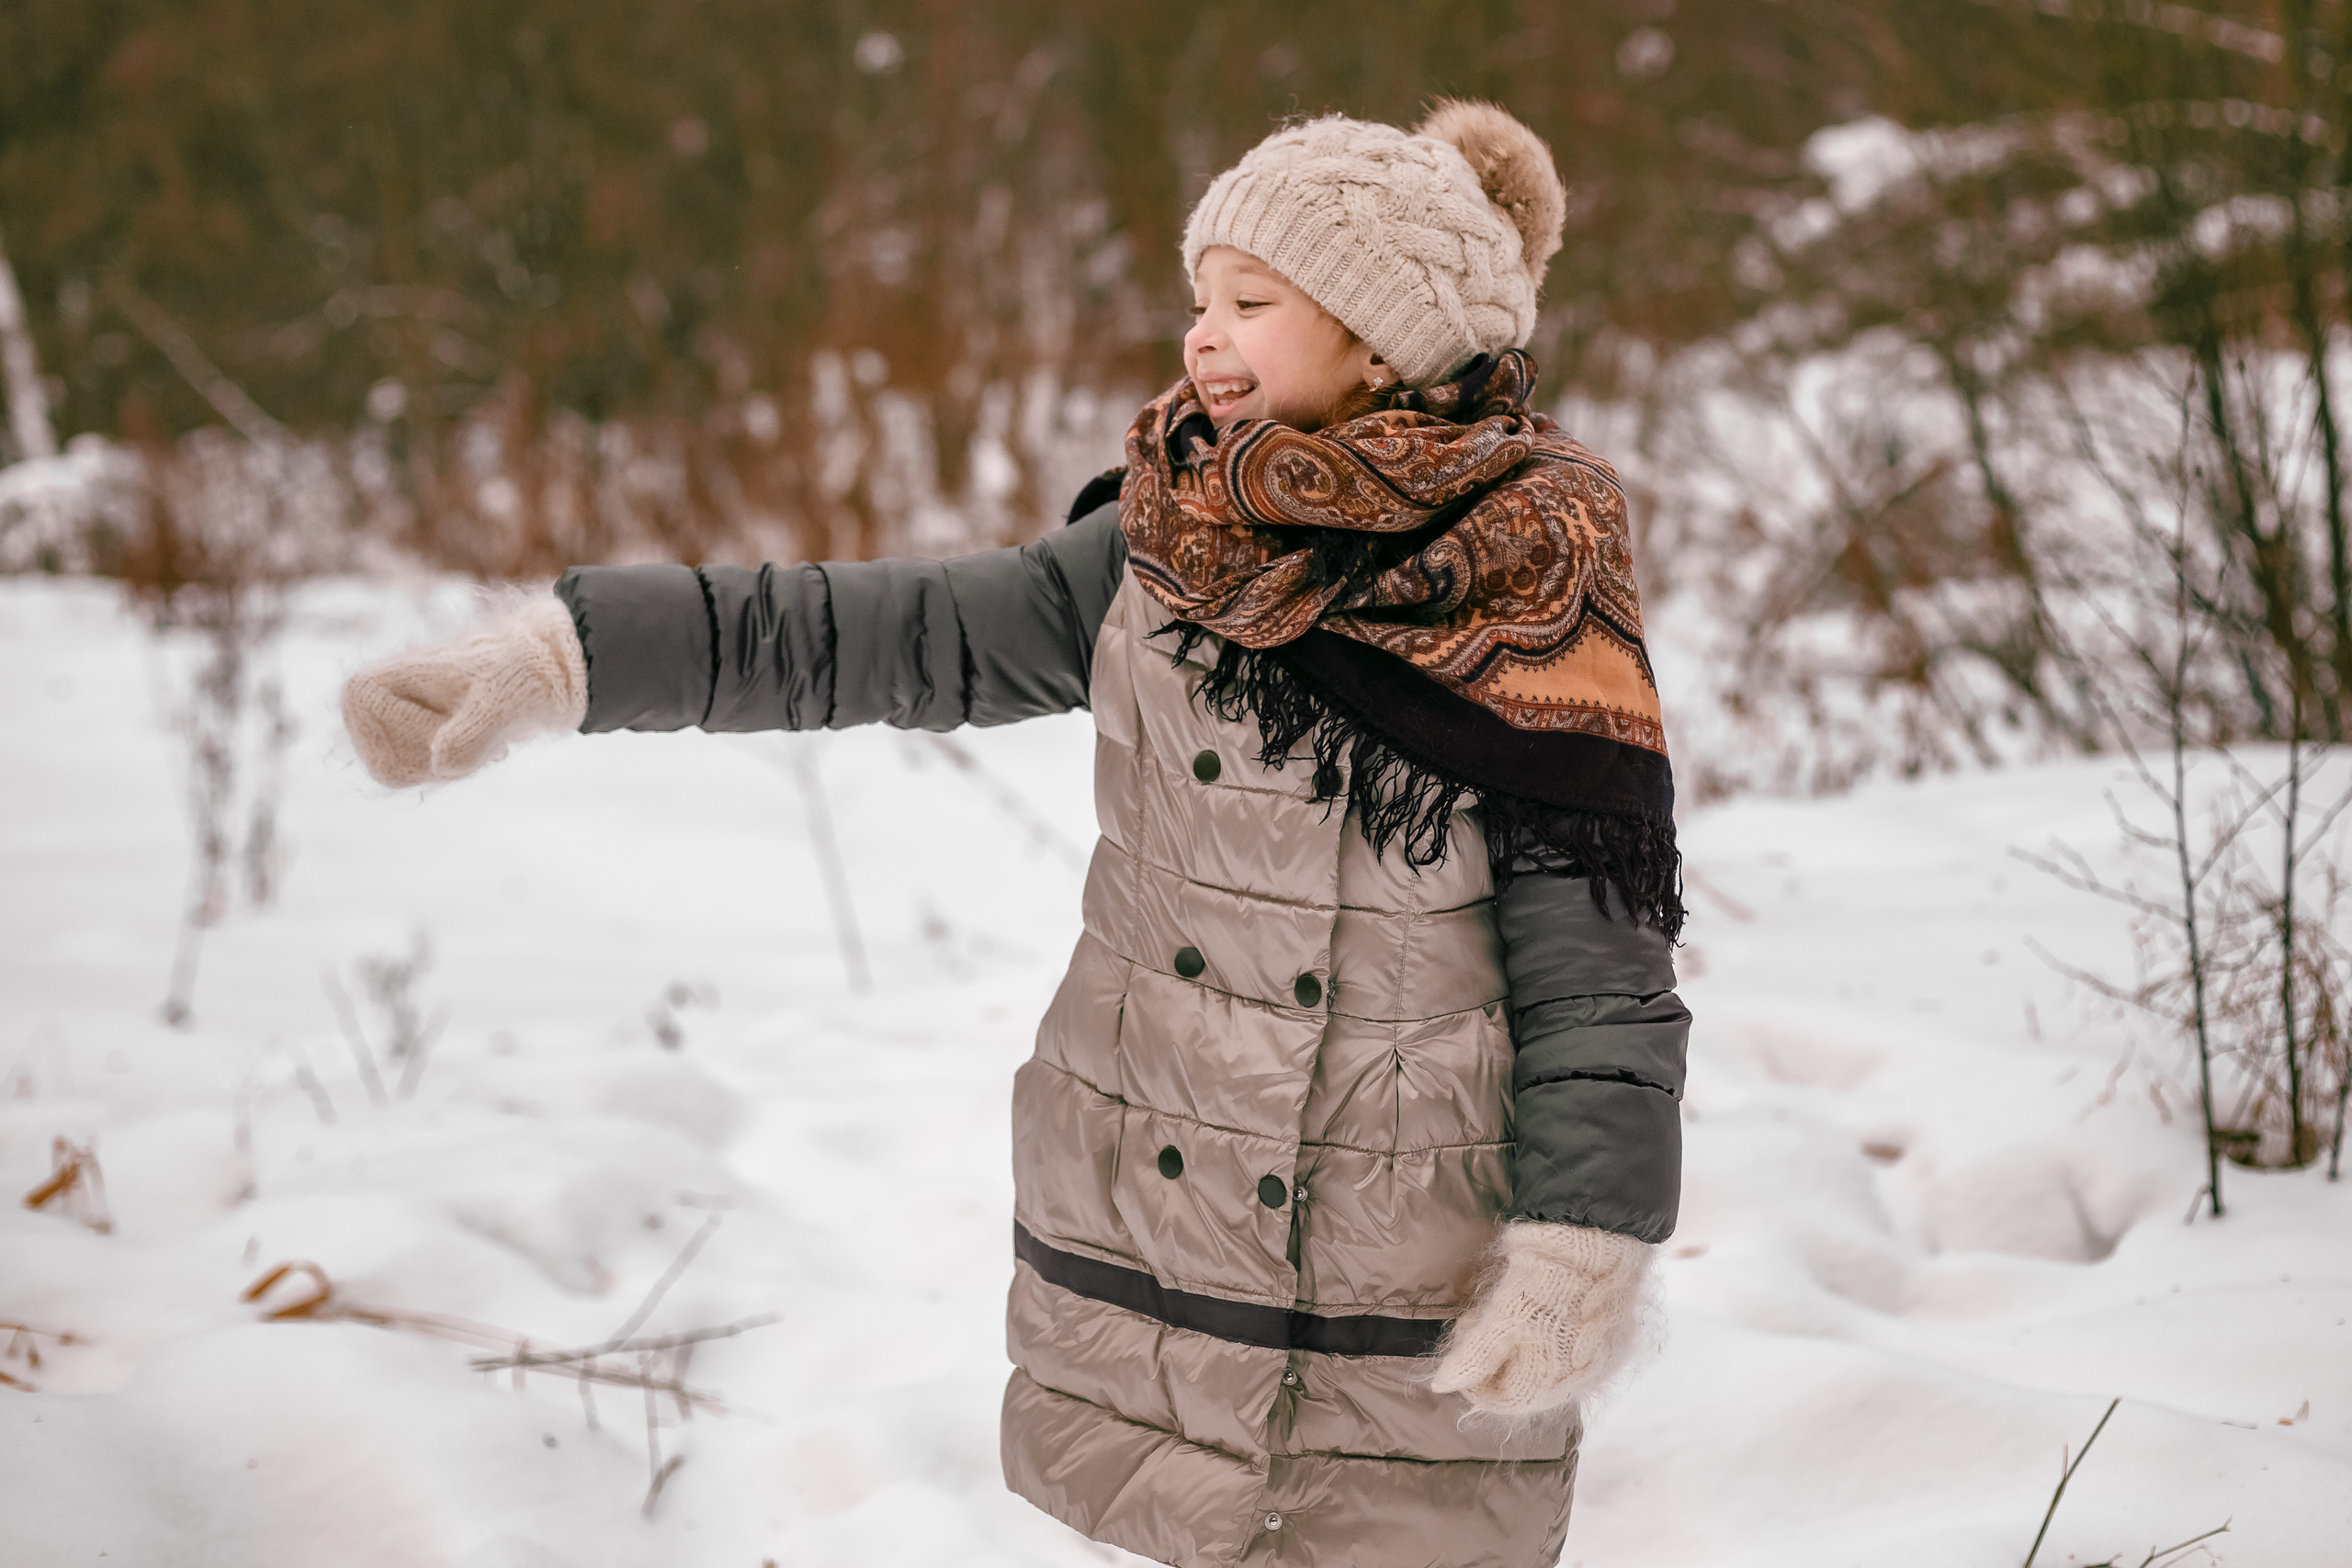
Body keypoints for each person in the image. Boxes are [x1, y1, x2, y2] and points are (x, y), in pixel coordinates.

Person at [344, 101, 1690, 1568]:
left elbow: (1600, 970)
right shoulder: (1170, 542)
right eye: (1199, 298)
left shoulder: (1528, 588)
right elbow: (885, 630)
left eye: (1253, 302)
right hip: (1163, 1193)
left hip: (1401, 1229)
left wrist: (1586, 1230)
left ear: (1380, 339)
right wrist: (567, 662)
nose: (1204, 335)